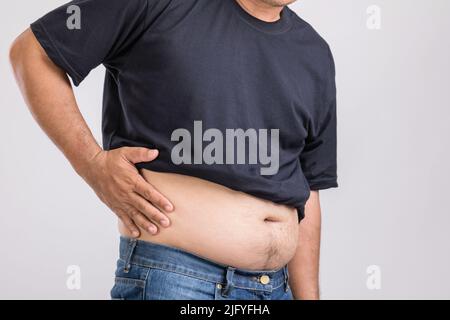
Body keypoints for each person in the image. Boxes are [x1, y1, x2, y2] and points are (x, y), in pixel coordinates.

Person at [10, 0, 338, 300]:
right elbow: (31, 52)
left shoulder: (314, 53)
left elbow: (307, 188)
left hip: (276, 288)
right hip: (176, 281)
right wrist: (93, 164)